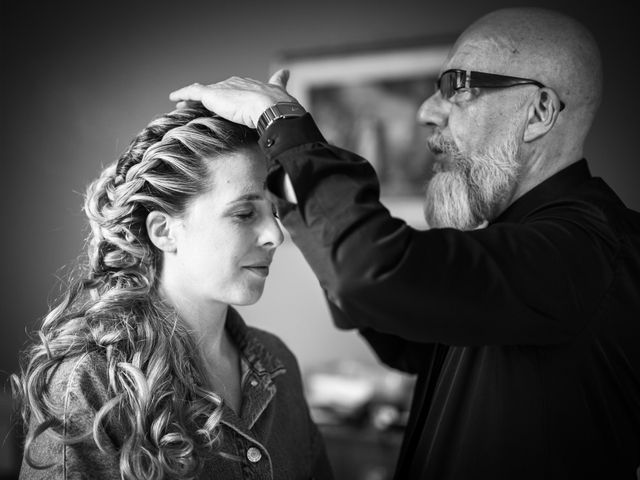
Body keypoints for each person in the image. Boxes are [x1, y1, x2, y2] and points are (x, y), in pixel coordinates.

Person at [168, 6, 640, 480]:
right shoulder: (528, 247)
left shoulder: (587, 250)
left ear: (538, 113)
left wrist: (284, 123)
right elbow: (405, 336)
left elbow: (373, 273)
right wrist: (295, 178)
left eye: (458, 86)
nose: (426, 111)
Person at [12, 102, 334, 479]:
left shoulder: (279, 365)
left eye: (274, 213)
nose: (275, 235)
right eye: (245, 213)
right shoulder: (89, 385)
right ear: (163, 231)